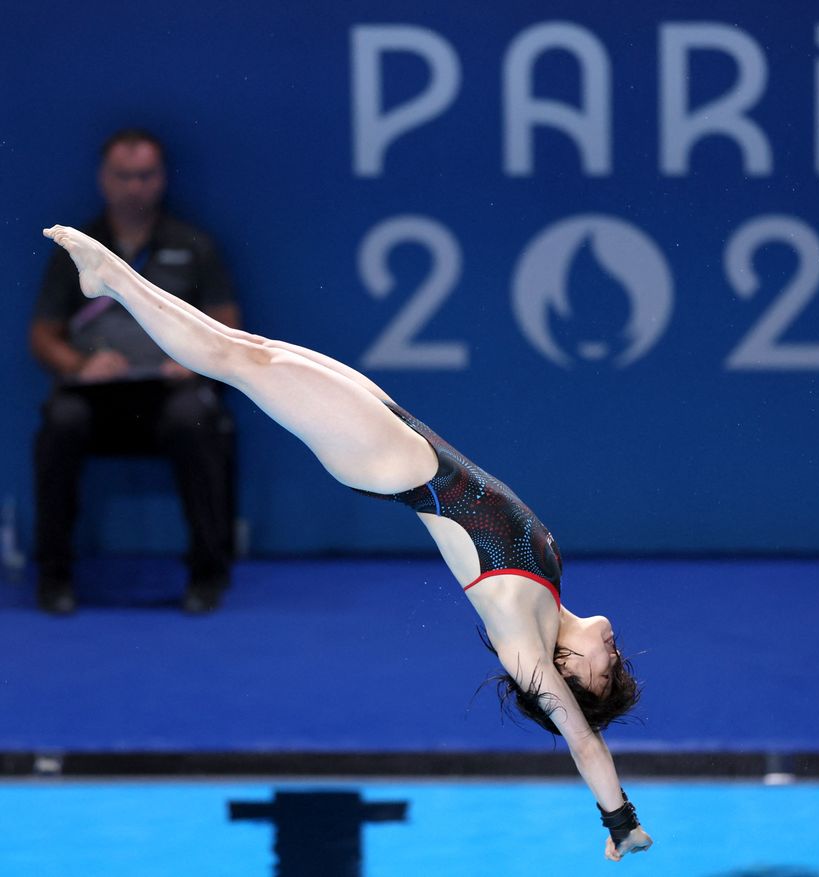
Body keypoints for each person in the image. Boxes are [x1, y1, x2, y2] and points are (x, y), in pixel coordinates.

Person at [41, 224, 654, 861]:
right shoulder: (551, 595)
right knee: (244, 347)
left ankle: (109, 279)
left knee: (234, 363)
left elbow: (584, 743)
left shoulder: (525, 648)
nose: (613, 651)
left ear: (565, 678)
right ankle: (111, 277)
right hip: (405, 439)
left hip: (387, 460)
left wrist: (619, 821)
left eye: (606, 671)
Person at [30, 130, 240, 615]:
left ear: (160, 179)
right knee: (59, 424)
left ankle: (207, 576)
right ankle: (53, 577)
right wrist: (81, 365)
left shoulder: (195, 245)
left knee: (196, 420)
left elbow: (229, 325)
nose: (134, 187)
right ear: (104, 180)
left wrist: (194, 357)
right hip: (95, 396)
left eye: (145, 176)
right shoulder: (74, 248)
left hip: (171, 393)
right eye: (123, 176)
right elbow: (42, 335)